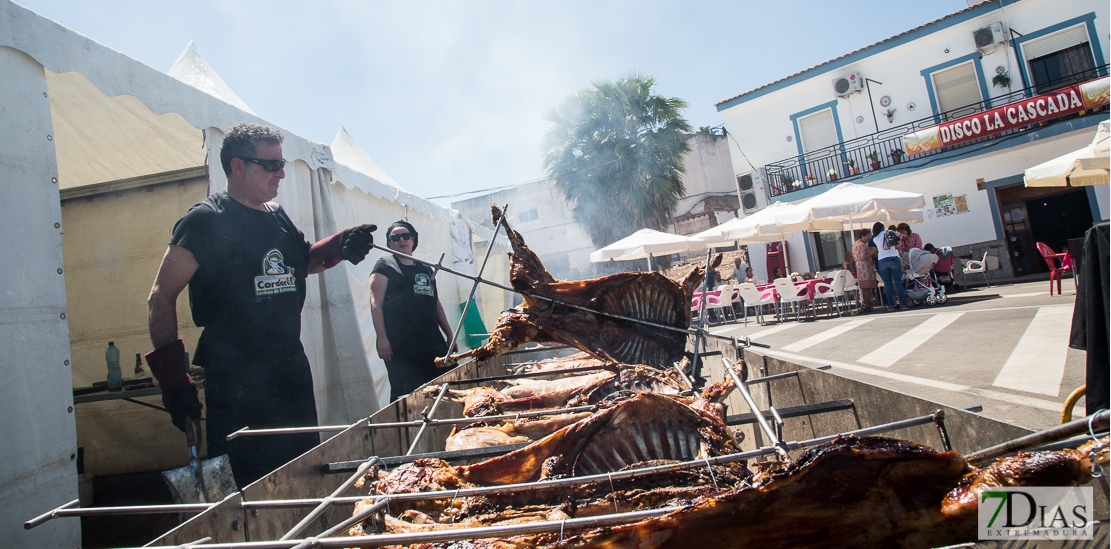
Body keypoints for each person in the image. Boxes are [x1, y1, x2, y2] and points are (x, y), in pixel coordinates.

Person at [145, 122, 377, 488]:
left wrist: (338, 247)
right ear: (238, 167)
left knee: (303, 473)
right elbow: (160, 296)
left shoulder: (276, 215)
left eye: (282, 163)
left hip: (290, 370)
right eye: (271, 165)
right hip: (238, 380)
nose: (281, 173)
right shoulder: (205, 220)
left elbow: (304, 261)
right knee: (252, 483)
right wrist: (174, 380)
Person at [369, 221, 456, 402]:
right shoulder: (384, 267)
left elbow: (436, 303)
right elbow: (375, 303)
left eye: (406, 236)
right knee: (409, 396)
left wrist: (449, 334)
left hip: (432, 340)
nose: (402, 240)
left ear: (413, 240)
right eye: (396, 237)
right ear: (390, 242)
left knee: (446, 387)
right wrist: (382, 338)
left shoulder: (425, 267)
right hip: (401, 346)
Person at [873, 221, 908, 311]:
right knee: (898, 282)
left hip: (882, 260)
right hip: (893, 257)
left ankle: (891, 305)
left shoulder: (875, 238)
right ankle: (903, 304)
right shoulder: (890, 232)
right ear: (882, 228)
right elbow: (898, 243)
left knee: (887, 284)